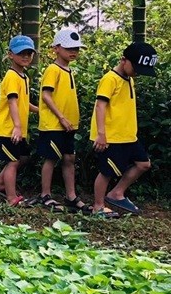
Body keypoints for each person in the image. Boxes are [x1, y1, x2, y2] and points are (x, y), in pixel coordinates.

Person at [89, 41, 158, 218]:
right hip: (111, 136)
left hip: (128, 136)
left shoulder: (129, 79)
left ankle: (116, 193)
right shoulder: (110, 79)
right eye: (136, 68)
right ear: (123, 60)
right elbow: (100, 106)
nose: (137, 73)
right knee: (107, 172)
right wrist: (101, 134)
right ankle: (98, 206)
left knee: (143, 164)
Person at [36, 29, 89, 213]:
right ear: (57, 48)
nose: (73, 52)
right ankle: (45, 195)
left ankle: (71, 196)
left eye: (76, 49)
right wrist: (61, 117)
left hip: (68, 125)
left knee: (69, 158)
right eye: (69, 48)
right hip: (54, 124)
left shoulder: (69, 70)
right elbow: (46, 96)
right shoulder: (53, 69)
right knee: (51, 158)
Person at [0, 35, 39, 206]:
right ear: (10, 54)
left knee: (23, 157)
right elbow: (12, 102)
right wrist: (17, 126)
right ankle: (11, 198)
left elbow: (23, 101)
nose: (25, 56)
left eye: (29, 53)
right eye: (21, 53)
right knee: (13, 161)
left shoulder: (23, 77)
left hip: (17, 129)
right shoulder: (11, 76)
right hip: (7, 129)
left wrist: (39, 110)